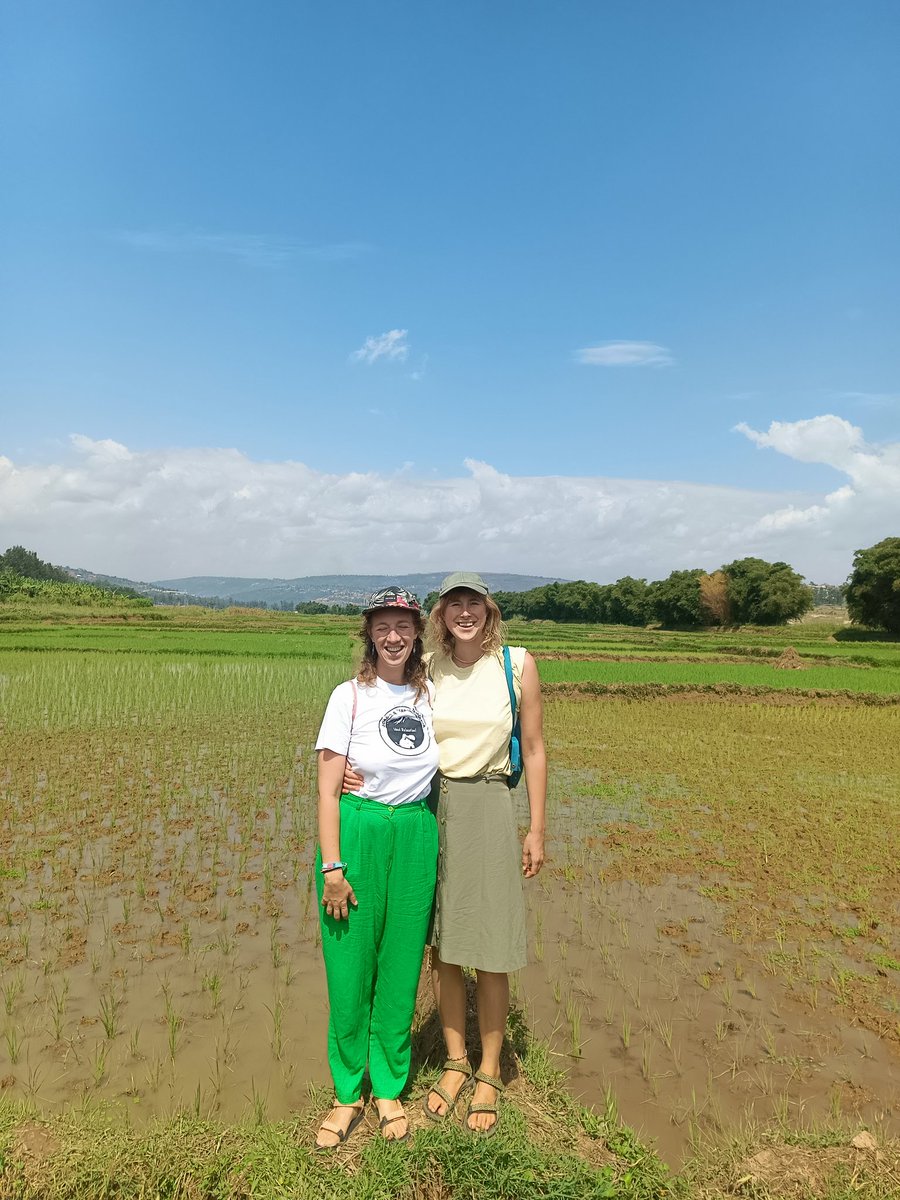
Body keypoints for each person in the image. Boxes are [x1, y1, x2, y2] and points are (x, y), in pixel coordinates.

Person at [344, 571, 547, 1136]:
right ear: (440, 615)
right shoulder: (427, 669)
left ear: (489, 611)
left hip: (488, 802)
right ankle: (454, 1062)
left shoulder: (516, 664)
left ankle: (489, 1071)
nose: (464, 612)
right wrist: (348, 774)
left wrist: (537, 828)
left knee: (493, 945)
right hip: (435, 807)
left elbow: (532, 747)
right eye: (453, 604)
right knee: (446, 943)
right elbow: (381, 718)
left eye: (473, 604)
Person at [314, 586, 439, 1149]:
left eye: (404, 626)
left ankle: (388, 1086)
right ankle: (347, 1094)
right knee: (349, 964)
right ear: (369, 633)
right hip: (359, 831)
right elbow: (326, 789)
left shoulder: (430, 694)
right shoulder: (350, 696)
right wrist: (332, 867)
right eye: (383, 626)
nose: (394, 636)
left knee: (401, 962)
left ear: (417, 633)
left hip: (415, 832)